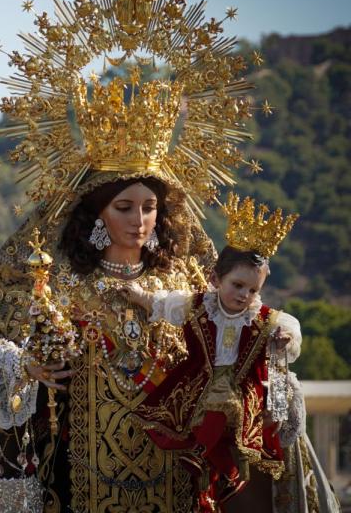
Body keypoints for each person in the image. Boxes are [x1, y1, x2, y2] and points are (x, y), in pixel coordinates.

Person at [0, 0, 333, 513]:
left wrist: (276, 339)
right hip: (74, 476)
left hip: (174, 475)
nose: (139, 220)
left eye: (150, 206)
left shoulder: (187, 273)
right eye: (124, 206)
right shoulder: (52, 273)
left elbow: (242, 322)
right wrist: (21, 363)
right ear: (97, 214)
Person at [120, 194, 297, 510]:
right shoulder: (199, 306)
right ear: (216, 279)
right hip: (197, 387)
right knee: (201, 430)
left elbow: (279, 367)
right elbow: (161, 304)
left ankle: (216, 478)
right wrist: (137, 295)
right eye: (238, 285)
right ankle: (203, 477)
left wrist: (279, 408)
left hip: (244, 395)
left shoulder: (266, 321)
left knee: (230, 433)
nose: (244, 295)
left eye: (253, 290)